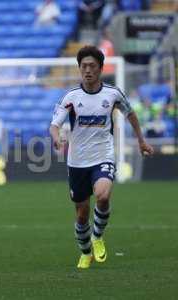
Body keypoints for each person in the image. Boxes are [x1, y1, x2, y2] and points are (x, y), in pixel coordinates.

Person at [49, 45, 154, 269]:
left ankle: (97, 237)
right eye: (83, 66)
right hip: (77, 161)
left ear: (100, 69)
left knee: (103, 195)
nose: (87, 70)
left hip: (103, 155)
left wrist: (141, 140)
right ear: (79, 69)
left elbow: (131, 113)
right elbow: (54, 125)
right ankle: (85, 251)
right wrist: (57, 138)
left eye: (92, 66)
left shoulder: (113, 93)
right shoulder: (71, 97)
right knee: (81, 213)